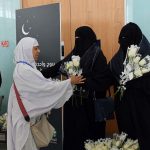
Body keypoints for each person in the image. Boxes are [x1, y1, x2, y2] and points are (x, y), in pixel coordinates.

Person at [7, 37, 85, 150]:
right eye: (35, 48)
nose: (38, 51)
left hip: (24, 122)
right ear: (26, 50)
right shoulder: (24, 71)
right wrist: (69, 82)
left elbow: (39, 88)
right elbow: (46, 88)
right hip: (24, 125)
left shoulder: (23, 68)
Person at [63, 26, 111, 150]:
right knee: (74, 139)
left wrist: (83, 80)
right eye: (76, 38)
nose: (77, 41)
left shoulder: (97, 55)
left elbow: (104, 81)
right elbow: (60, 66)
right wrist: (40, 75)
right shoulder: (74, 53)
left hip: (90, 108)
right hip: (74, 107)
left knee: (89, 140)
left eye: (80, 38)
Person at [109, 22, 150, 150]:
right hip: (124, 109)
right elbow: (108, 75)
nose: (124, 46)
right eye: (121, 41)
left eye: (127, 41)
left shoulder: (147, 56)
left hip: (143, 109)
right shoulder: (117, 58)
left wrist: (134, 81)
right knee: (127, 139)